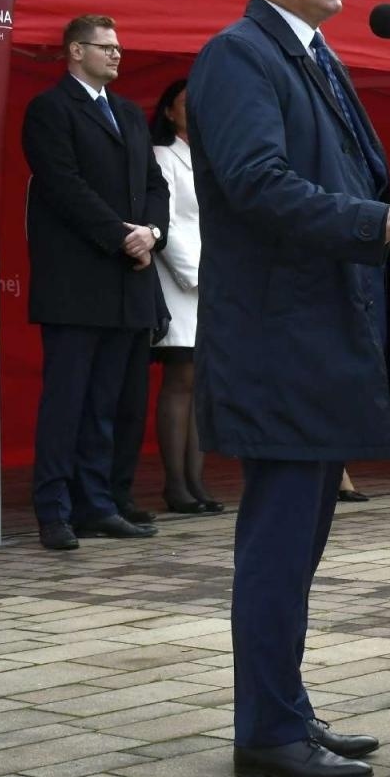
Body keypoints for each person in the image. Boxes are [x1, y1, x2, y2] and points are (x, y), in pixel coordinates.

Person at [188, 0, 390, 777]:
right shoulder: (237, 57)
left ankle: (287, 710)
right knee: (278, 540)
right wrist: (381, 221)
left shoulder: (315, 55)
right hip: (279, 342)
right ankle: (266, 735)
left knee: (302, 546)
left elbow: (343, 180)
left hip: (323, 338)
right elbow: (258, 185)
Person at [23, 14, 168, 552]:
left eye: (119, 46)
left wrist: (152, 231)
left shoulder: (130, 114)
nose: (116, 54)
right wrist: (120, 237)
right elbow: (64, 186)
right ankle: (54, 510)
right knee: (68, 403)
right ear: (74, 52)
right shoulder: (51, 109)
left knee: (113, 402)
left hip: (129, 283)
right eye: (105, 46)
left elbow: (155, 186)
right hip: (77, 284)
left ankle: (98, 503)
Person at [150, 79, 222, 514]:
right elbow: (167, 222)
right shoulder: (163, 156)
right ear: (169, 113)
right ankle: (175, 484)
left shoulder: (212, 157)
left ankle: (197, 481)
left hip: (216, 280)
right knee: (182, 380)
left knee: (203, 385)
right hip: (183, 281)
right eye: (185, 104)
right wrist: (195, 276)